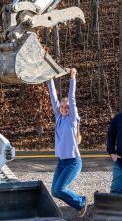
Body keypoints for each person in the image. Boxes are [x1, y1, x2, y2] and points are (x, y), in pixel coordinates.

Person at [47, 68, 87, 217]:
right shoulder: (58, 117)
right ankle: (80, 202)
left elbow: (72, 97)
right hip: (62, 162)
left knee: (60, 189)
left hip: (73, 162)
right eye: (62, 107)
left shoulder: (71, 120)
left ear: (70, 110)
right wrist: (49, 78)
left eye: (67, 107)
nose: (64, 108)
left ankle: (81, 202)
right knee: (54, 191)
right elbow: (53, 97)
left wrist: (72, 78)